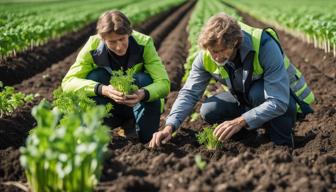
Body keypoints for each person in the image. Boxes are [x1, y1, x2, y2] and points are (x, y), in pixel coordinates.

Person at [149, 13, 314, 148]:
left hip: (285, 101)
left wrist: (240, 120)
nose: (216, 56)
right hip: (246, 98)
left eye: (221, 51)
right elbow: (190, 93)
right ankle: (247, 140)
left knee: (258, 93)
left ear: (236, 42)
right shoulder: (206, 56)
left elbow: (278, 101)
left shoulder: (264, 46)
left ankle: (282, 143)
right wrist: (170, 126)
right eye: (212, 51)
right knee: (210, 109)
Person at [62, 10, 170, 143]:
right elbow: (68, 82)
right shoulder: (93, 45)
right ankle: (102, 126)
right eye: (112, 42)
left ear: (129, 34)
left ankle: (132, 123)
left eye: (122, 39)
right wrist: (103, 89)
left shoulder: (144, 43)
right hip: (108, 107)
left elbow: (164, 84)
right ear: (102, 39)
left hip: (135, 104)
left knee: (145, 80)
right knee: (96, 76)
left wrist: (143, 94)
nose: (119, 47)